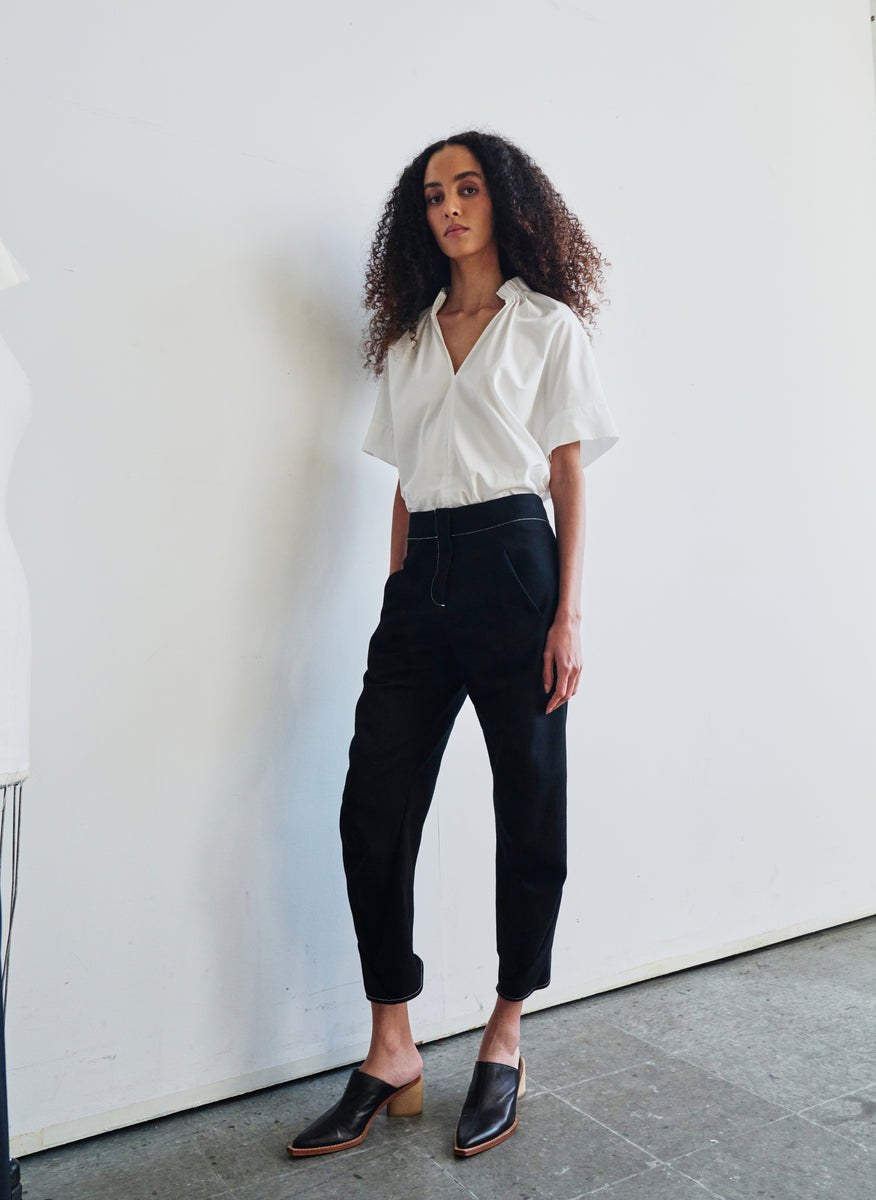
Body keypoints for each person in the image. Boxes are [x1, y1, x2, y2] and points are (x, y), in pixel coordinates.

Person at [288, 130, 619, 1160]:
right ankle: (392, 1045)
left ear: (504, 203)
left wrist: (567, 616)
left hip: (518, 563)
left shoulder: (548, 327)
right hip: (421, 573)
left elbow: (567, 475)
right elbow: (402, 482)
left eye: (467, 187)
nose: (449, 207)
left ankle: (506, 1031)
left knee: (528, 799)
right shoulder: (410, 341)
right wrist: (396, 597)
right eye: (433, 194)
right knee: (370, 806)